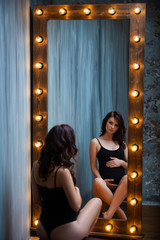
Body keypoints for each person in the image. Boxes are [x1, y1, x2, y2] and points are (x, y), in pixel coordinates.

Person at [32, 124, 102, 240]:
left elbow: (37, 200)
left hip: (42, 229)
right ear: (67, 145)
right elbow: (76, 206)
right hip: (64, 232)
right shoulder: (62, 172)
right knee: (97, 201)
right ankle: (81, 236)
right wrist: (77, 190)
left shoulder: (35, 165)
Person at [90, 111, 128, 220]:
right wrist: (102, 181)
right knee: (97, 181)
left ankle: (108, 214)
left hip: (121, 187)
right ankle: (119, 211)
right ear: (105, 122)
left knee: (127, 178)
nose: (112, 127)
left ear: (118, 128)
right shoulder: (95, 142)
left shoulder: (122, 143)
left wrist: (121, 162)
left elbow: (132, 167)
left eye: (116, 125)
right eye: (110, 123)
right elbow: (93, 167)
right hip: (103, 186)